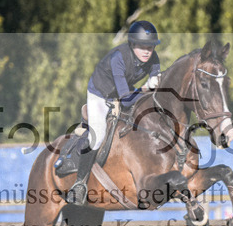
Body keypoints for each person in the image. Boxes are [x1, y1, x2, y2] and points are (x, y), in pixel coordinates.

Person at [66, 20, 163, 205]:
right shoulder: (118, 58)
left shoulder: (153, 58)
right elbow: (126, 99)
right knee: (98, 135)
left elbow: (155, 83)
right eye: (142, 46)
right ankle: (79, 184)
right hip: (101, 94)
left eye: (150, 47)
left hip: (125, 90)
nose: (147, 51)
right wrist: (144, 89)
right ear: (132, 44)